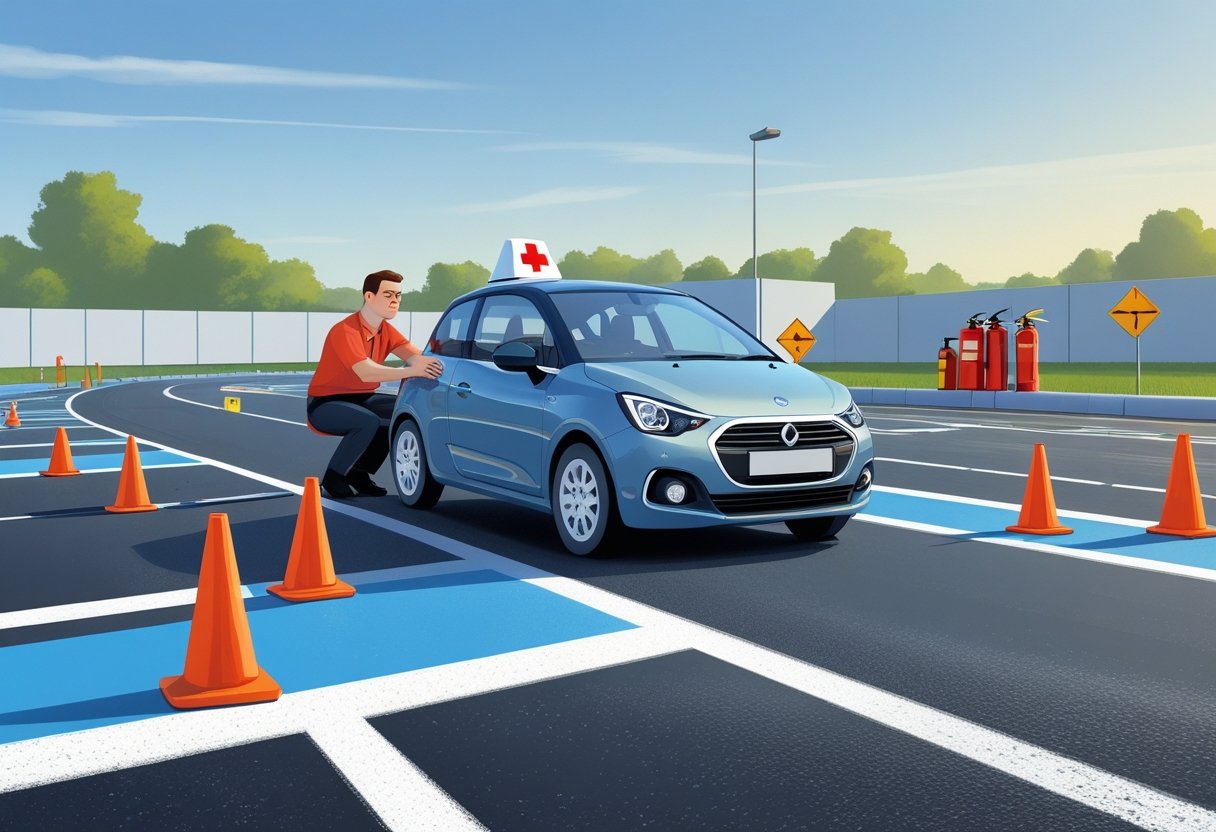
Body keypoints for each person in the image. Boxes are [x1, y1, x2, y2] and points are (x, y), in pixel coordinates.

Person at [307, 269, 443, 498]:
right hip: (325, 403)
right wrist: (412, 370)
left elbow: (414, 356)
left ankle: (359, 473)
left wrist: (439, 362)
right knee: (367, 421)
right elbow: (366, 372)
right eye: (388, 294)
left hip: (361, 398)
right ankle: (333, 477)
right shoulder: (345, 330)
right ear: (369, 296)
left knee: (399, 413)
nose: (395, 301)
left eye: (399, 296)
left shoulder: (385, 331)